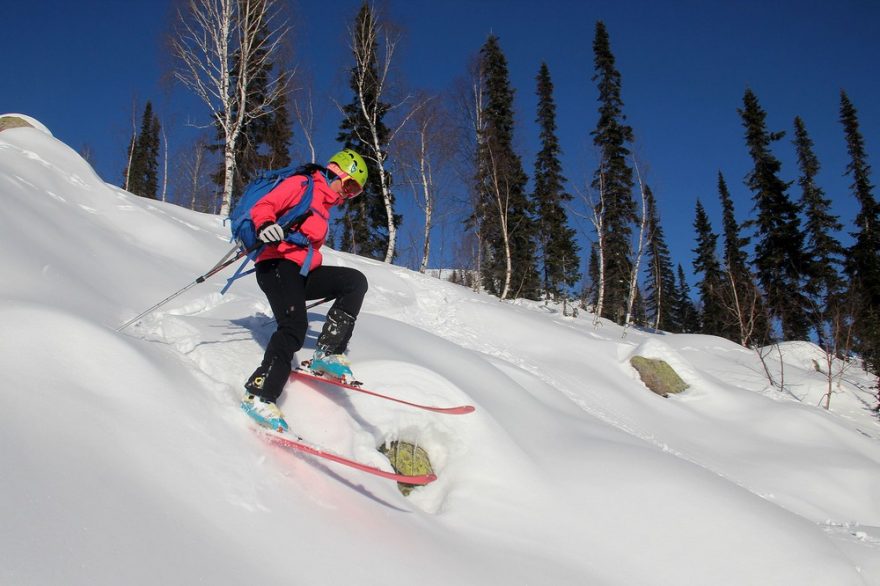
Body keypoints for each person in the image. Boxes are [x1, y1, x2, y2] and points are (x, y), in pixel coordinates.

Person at [240, 149, 369, 432]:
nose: (348, 194)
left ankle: (327, 354)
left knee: (355, 282)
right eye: (349, 186)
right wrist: (266, 224)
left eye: (355, 192)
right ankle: (260, 394)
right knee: (294, 326)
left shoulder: (324, 205)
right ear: (337, 171)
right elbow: (263, 206)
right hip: (276, 265)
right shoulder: (303, 185)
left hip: (300, 271)